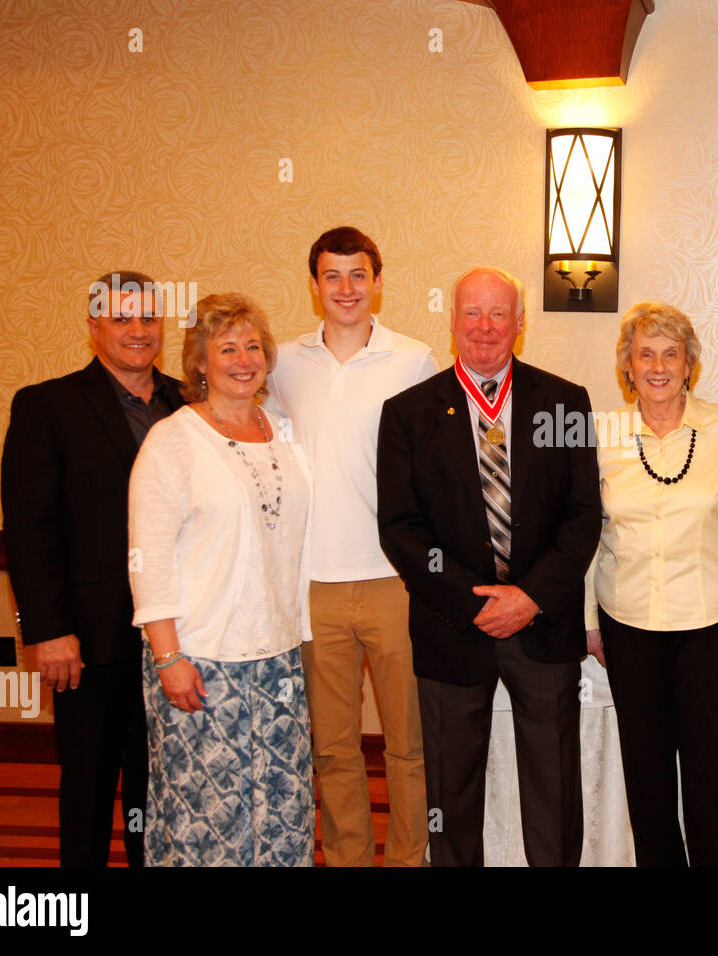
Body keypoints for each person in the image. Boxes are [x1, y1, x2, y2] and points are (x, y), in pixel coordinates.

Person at [377, 267, 601, 866]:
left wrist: (529, 597)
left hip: (543, 627)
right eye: (471, 313)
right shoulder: (407, 413)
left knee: (553, 790)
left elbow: (583, 518)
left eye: (499, 314)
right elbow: (400, 529)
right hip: (452, 628)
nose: (484, 327)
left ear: (520, 325)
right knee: (450, 795)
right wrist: (475, 603)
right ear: (452, 323)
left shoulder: (565, 401)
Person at [266, 227, 436, 867]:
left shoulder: (415, 360)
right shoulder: (281, 364)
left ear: (378, 282)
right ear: (314, 286)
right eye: (332, 276)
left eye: (358, 275)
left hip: (395, 581)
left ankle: (408, 857)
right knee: (332, 746)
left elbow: (438, 471)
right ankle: (345, 858)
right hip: (312, 586)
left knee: (408, 742)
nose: (345, 289)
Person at [2, 270, 184, 867]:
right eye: (121, 318)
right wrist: (49, 631)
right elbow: (31, 532)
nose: (138, 330)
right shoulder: (46, 406)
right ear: (93, 326)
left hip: (180, 640)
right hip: (89, 641)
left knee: (159, 793)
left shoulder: (190, 405)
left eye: (148, 318)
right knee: (87, 789)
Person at [128, 293, 315, 866]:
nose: (243, 359)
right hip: (201, 660)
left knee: (283, 810)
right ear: (200, 363)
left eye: (253, 346)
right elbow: (147, 557)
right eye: (226, 348)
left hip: (278, 657)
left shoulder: (283, 431)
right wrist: (167, 658)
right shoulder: (174, 441)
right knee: (208, 818)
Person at [584, 302, 718, 866]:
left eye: (671, 353)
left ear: (689, 364)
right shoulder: (602, 434)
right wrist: (589, 620)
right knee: (648, 773)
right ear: (627, 367)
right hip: (628, 622)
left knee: (711, 772)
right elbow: (585, 533)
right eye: (645, 354)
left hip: (710, 623)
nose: (658, 366)